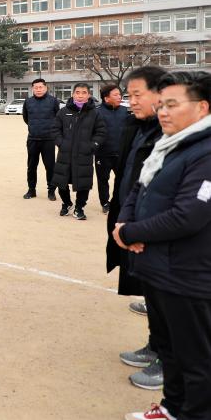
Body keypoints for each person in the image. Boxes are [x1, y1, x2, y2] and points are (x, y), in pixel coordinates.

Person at [115, 71, 211, 420]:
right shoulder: (169, 144)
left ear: (202, 108)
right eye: (162, 104)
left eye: (173, 104)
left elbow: (189, 215)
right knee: (169, 349)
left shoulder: (205, 152)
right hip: (157, 269)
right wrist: (124, 223)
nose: (163, 112)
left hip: (186, 274)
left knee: (196, 360)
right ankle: (171, 408)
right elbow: (138, 188)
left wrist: (132, 232)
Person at [105, 66, 167, 391]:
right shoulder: (139, 127)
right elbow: (133, 179)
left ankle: (168, 361)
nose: (131, 101)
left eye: (137, 95)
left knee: (168, 300)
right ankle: (155, 346)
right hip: (133, 222)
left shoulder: (171, 134)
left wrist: (142, 228)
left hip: (155, 231)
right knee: (151, 293)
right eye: (129, 95)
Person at [51, 82, 107, 221]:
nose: (80, 95)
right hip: (65, 153)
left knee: (83, 183)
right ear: (73, 94)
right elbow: (55, 130)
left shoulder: (95, 113)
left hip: (84, 154)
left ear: (89, 95)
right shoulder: (63, 111)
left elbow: (101, 132)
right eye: (77, 92)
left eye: (84, 92)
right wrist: (61, 143)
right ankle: (66, 203)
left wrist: (92, 146)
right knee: (61, 181)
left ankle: (79, 207)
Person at [22, 78, 61, 200]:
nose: (38, 89)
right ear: (32, 89)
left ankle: (51, 191)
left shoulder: (53, 101)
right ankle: (31, 190)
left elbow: (58, 118)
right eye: (36, 87)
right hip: (33, 139)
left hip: (48, 140)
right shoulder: (28, 102)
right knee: (31, 166)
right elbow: (26, 118)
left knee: (50, 167)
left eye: (40, 87)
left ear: (45, 88)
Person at [96, 83, 129, 213]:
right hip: (103, 153)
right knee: (103, 180)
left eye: (120, 94)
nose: (119, 97)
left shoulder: (124, 111)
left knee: (122, 179)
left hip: (120, 153)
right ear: (106, 98)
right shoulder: (97, 112)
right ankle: (105, 202)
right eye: (115, 95)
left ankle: (119, 201)